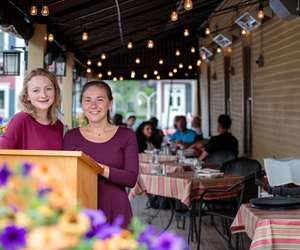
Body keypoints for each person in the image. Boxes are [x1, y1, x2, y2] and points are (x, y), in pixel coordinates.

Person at [63, 80, 138, 228]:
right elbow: (66, 178)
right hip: (82, 212)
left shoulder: (126, 135)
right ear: (82, 104)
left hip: (116, 211)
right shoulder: (71, 137)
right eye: (88, 100)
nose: (93, 105)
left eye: (100, 99)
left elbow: (131, 178)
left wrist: (99, 168)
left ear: (110, 103)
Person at [0, 68, 63, 150]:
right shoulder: (20, 120)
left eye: (48, 89)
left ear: (55, 92)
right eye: (36, 90)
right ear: (27, 96)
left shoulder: (58, 125)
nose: (43, 95)